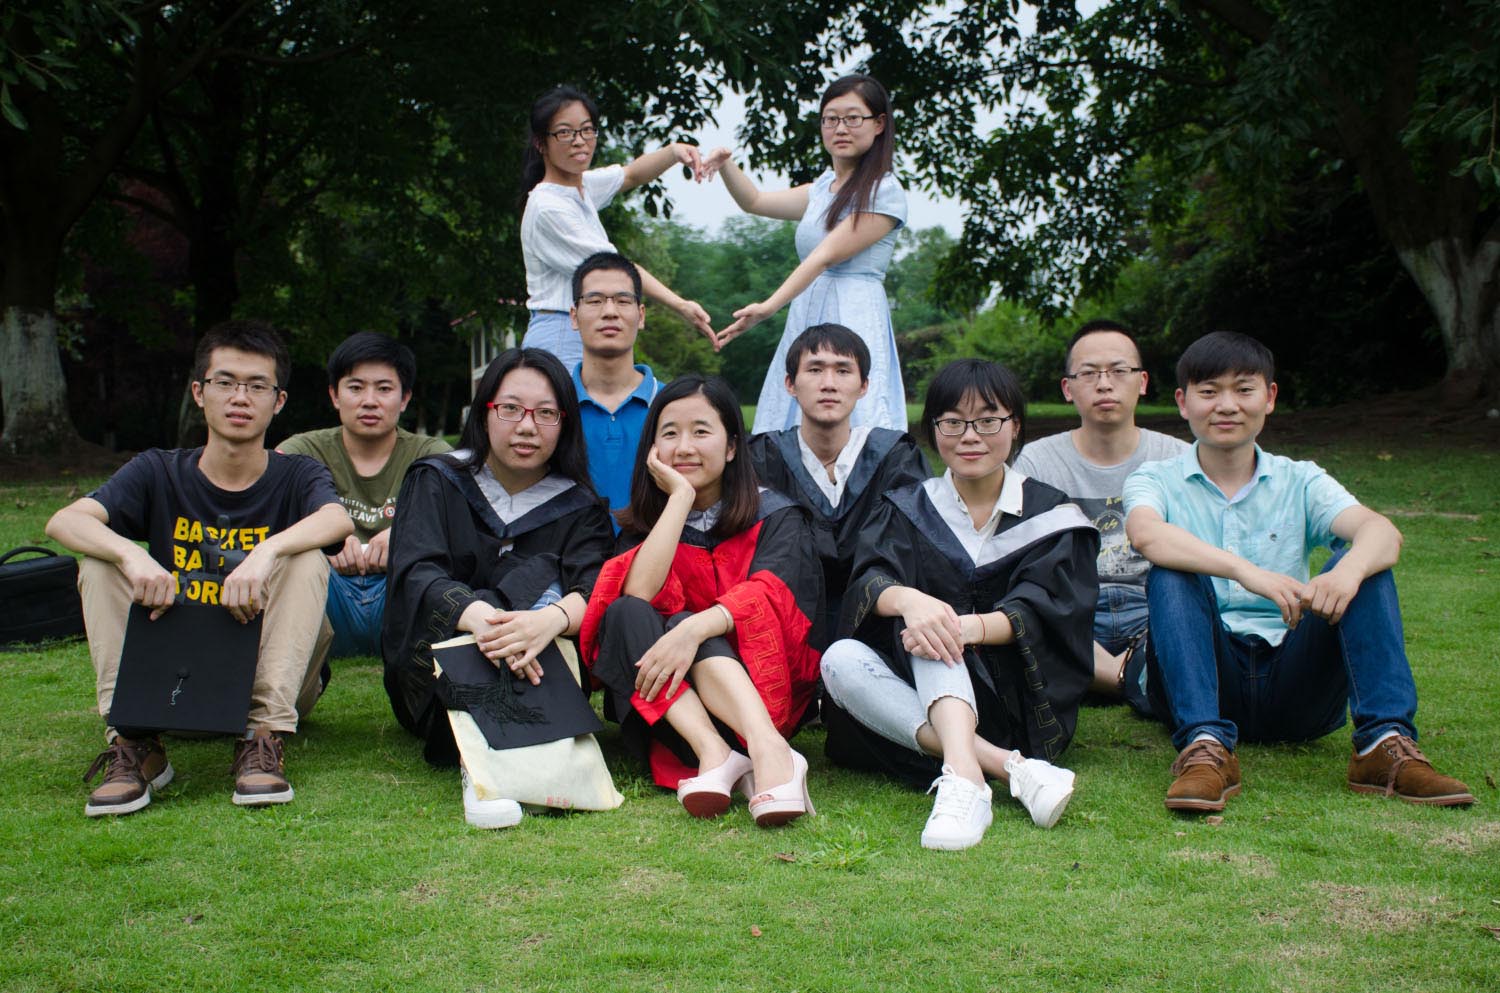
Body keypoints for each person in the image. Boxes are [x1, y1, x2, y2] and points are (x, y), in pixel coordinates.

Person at [1123, 331, 1474, 813]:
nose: (1227, 405)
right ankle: (1203, 748)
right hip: (1205, 677)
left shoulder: (1301, 479)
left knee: (1364, 565)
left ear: (1269, 398)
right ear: (1184, 403)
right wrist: (1246, 572)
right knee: (1173, 572)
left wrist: (1347, 572)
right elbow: (1146, 535)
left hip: (1294, 676)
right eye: (1209, 391)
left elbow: (1382, 532)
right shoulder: (1154, 478)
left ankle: (1383, 744)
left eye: (1243, 390)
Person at [46, 320, 354, 816]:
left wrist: (265, 553)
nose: (240, 398)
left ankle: (261, 740)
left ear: (278, 401)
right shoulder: (158, 469)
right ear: (198, 392)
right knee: (100, 563)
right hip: (174, 682)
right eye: (225, 382)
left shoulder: (297, 474)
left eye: (257, 386)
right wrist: (132, 554)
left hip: (267, 679)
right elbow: (65, 521)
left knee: (304, 557)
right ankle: (133, 741)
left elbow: (336, 520)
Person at [820, 359, 1097, 850]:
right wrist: (911, 600)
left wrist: (967, 627)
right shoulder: (906, 506)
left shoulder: (1051, 513)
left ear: (1015, 425)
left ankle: (967, 772)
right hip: (917, 695)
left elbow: (1048, 607)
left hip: (1013, 700)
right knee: (841, 657)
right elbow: (870, 578)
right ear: (933, 429)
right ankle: (996, 768)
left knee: (935, 632)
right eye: (952, 421)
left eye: (988, 420)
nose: (970, 436)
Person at [382, 348, 616, 828]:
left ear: (565, 423)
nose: (527, 426)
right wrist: (488, 624)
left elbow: (595, 585)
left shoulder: (579, 506)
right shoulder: (437, 480)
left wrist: (547, 621)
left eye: (545, 413)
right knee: (491, 602)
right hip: (434, 673)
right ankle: (486, 773)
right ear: (484, 411)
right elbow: (417, 571)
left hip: (541, 659)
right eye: (510, 409)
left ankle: (495, 768)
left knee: (537, 597)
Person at [580, 375, 823, 826]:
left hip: (760, 698)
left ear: (731, 447)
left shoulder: (777, 517)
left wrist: (693, 628)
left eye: (701, 431)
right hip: (675, 712)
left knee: (683, 622)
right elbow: (637, 597)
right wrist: (680, 498)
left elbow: (771, 595)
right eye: (670, 433)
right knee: (624, 610)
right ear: (652, 450)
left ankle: (767, 747)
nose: (684, 447)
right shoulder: (648, 526)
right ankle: (715, 752)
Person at [708, 74, 909, 433]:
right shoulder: (822, 189)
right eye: (831, 119)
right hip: (807, 309)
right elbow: (754, 201)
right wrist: (725, 164)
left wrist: (768, 307)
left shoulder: (884, 191)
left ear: (879, 124)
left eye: (853, 118)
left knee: (852, 411)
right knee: (794, 406)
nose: (840, 128)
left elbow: (825, 256)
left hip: (854, 311)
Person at [1014, 320, 1187, 710]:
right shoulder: (1037, 462)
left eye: (1119, 371)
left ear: (1142, 382)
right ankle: (1129, 678)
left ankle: (1094, 676)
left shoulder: (1176, 457)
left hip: (1152, 611)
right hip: (1072, 613)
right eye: (1089, 373)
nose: (1105, 384)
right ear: (1067, 388)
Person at [747, 322, 929, 634]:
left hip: (878, 628)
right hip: (782, 627)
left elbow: (913, 558)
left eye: (843, 371)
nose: (828, 384)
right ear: (790, 384)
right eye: (815, 370)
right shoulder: (762, 459)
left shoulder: (896, 460)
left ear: (864, 386)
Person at [519, 85, 717, 370]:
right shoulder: (548, 207)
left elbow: (631, 174)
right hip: (561, 335)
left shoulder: (581, 187)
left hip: (585, 328)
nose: (579, 141)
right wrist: (680, 305)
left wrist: (675, 152)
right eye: (565, 132)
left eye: (587, 130)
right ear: (541, 143)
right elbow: (615, 269)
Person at [277, 332, 449, 659]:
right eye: (355, 388)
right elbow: (266, 510)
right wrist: (323, 541)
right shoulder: (302, 451)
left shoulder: (432, 455)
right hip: (327, 592)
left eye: (384, 389)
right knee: (298, 561)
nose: (369, 401)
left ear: (404, 398)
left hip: (400, 591)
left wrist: (404, 536)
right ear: (334, 395)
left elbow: (460, 524)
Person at [568, 252, 660, 525]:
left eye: (623, 300)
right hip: (568, 551)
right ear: (574, 316)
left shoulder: (671, 405)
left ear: (640, 315)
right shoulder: (551, 408)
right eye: (595, 301)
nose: (610, 312)